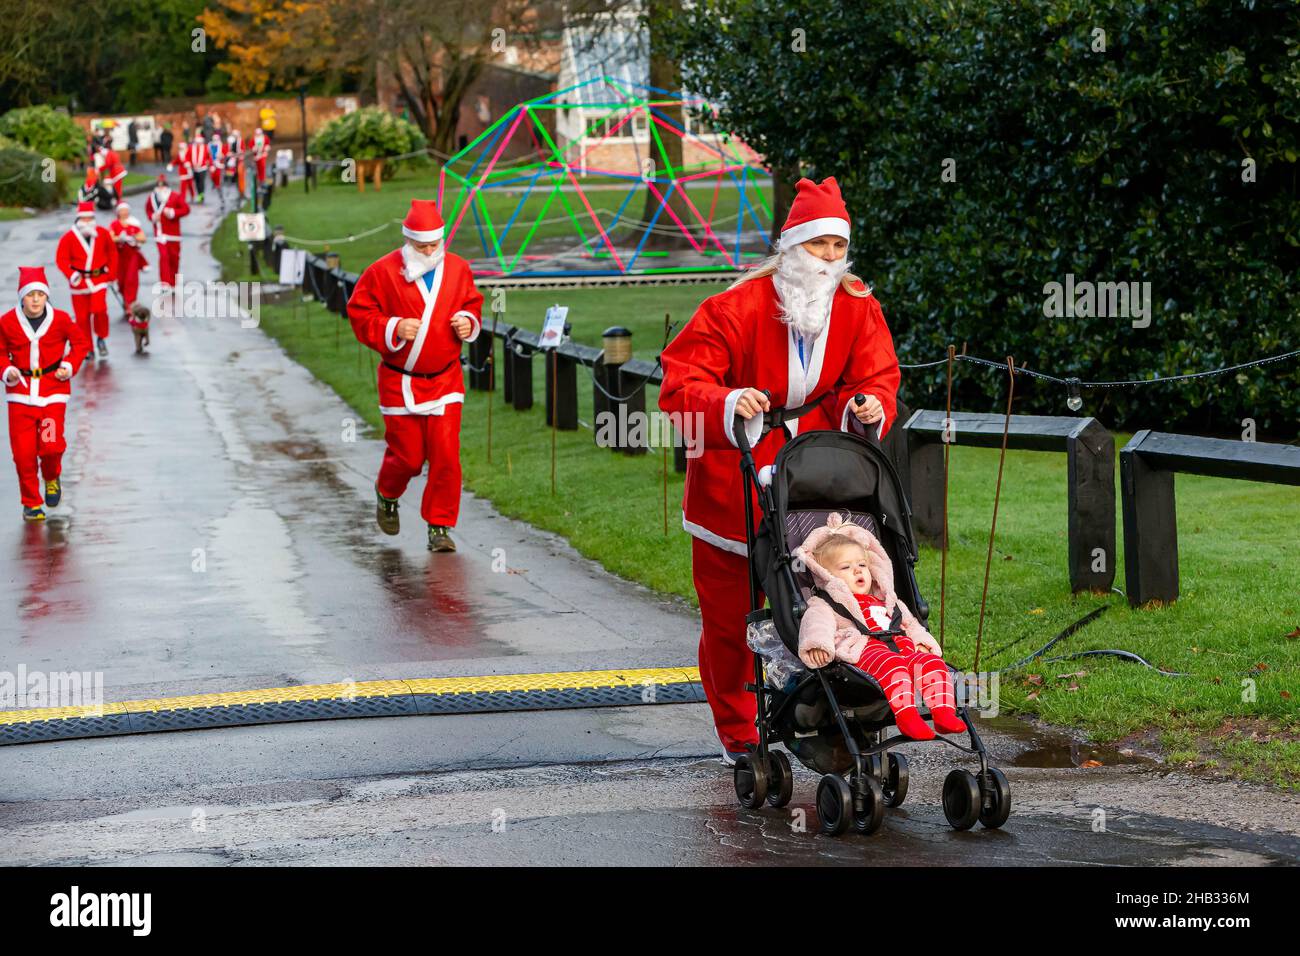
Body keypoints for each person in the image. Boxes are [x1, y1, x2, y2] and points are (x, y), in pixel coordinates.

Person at [657, 177, 902, 763]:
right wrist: (727, 403)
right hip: (733, 476)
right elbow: (680, 385)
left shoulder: (857, 306)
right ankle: (740, 735)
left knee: (829, 599)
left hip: (816, 474)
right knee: (730, 618)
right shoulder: (731, 309)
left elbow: (877, 376)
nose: (829, 261)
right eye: (819, 247)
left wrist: (868, 406)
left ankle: (832, 711)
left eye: (838, 249)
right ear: (791, 246)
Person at [347, 200, 483, 553]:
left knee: (445, 455)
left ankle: (439, 526)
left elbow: (472, 303)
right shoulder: (381, 271)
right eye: (421, 245)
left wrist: (468, 322)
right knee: (407, 456)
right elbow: (360, 313)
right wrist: (392, 326)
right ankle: (387, 492)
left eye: (433, 245)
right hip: (400, 379)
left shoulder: (458, 268)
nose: (428, 250)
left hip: (446, 379)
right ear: (408, 240)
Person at [794, 513, 966, 740]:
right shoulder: (826, 603)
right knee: (891, 664)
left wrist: (921, 641)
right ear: (825, 575)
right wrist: (818, 645)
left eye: (862, 564)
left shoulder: (888, 600)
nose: (857, 571)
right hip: (863, 650)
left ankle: (944, 712)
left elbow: (910, 624)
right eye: (846, 567)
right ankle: (907, 718)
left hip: (901, 646)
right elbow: (816, 624)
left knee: (932, 662)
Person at [0, 267, 92, 521]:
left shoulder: (60, 319)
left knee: (51, 446)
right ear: (22, 297)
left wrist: (69, 365)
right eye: (31, 295)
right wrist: (6, 370)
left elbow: (81, 343)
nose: (36, 299)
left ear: (47, 296)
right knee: (23, 454)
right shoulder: (7, 322)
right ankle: (31, 503)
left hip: (53, 392)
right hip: (20, 396)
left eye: (41, 294)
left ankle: (51, 476)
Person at [55, 201, 117, 359]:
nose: (88, 222)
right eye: (85, 219)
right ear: (78, 220)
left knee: (100, 310)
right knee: (82, 317)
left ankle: (101, 338)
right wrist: (71, 275)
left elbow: (112, 253)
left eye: (90, 218)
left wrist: (111, 274)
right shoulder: (68, 238)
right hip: (79, 282)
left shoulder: (102, 233)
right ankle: (87, 347)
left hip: (99, 279)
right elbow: (61, 259)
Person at [144, 173, 189, 293]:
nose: (160, 188)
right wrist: (152, 216)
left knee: (174, 258)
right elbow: (148, 210)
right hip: (159, 233)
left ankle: (173, 283)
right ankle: (165, 283)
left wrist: (173, 212)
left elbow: (186, 209)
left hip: (174, 235)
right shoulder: (152, 198)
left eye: (163, 186)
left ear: (166, 186)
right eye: (158, 186)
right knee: (164, 257)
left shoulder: (175, 196)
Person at [109, 200, 148, 320]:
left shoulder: (133, 224)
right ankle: (127, 301)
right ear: (118, 212)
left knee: (131, 280)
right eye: (121, 210)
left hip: (132, 256)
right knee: (121, 281)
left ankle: (130, 304)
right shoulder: (114, 224)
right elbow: (110, 238)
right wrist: (120, 238)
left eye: (126, 210)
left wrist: (132, 237)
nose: (124, 212)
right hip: (119, 256)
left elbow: (143, 237)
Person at [188, 133, 209, 204]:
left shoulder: (205, 147)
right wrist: (189, 164)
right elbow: (187, 157)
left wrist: (208, 162)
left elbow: (208, 157)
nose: (198, 144)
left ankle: (201, 196)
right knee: (196, 183)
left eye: (199, 142)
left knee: (201, 182)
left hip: (202, 168)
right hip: (194, 168)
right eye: (197, 142)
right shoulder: (191, 148)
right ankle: (199, 194)